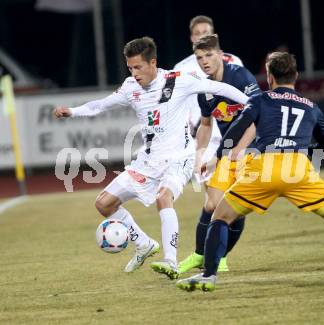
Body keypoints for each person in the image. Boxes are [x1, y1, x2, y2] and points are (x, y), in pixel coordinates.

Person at [176, 52, 324, 291]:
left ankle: (209, 275)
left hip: (263, 169)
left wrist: (217, 158)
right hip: (298, 170)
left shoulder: (259, 100)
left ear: (270, 77)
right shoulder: (312, 107)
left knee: (220, 218)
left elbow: (236, 130)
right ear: (296, 76)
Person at [53, 36, 249, 280]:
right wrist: (72, 112)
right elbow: (100, 106)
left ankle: (171, 261)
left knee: (163, 198)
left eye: (138, 67)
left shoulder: (178, 80)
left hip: (180, 157)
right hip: (148, 161)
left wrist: (253, 103)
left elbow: (219, 88)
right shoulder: (130, 88)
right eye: (130, 68)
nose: (134, 73)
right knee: (104, 204)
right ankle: (144, 244)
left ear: (153, 63)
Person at [177, 35, 260, 274]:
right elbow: (205, 125)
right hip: (227, 150)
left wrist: (236, 151)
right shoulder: (205, 89)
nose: (204, 61)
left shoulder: (241, 77)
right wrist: (199, 155)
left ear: (221, 54)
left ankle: (221, 257)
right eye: (199, 57)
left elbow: (257, 118)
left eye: (209, 55)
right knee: (212, 203)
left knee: (234, 205)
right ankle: (198, 255)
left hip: (252, 148)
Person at [174, 15, 243, 154]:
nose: (201, 37)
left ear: (213, 36)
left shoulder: (233, 61)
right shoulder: (181, 69)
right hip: (202, 136)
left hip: (232, 133)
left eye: (205, 32)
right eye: (197, 33)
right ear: (192, 38)